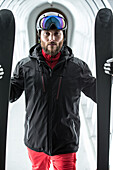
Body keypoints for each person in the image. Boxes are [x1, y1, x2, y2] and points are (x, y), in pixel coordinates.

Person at [0, 11, 113, 170]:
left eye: (56, 34)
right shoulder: (25, 67)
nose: (52, 38)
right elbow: (10, 95)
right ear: (40, 36)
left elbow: (99, 95)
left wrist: (109, 77)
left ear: (63, 36)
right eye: (47, 34)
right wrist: (1, 80)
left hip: (65, 142)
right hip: (36, 142)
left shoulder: (77, 67)